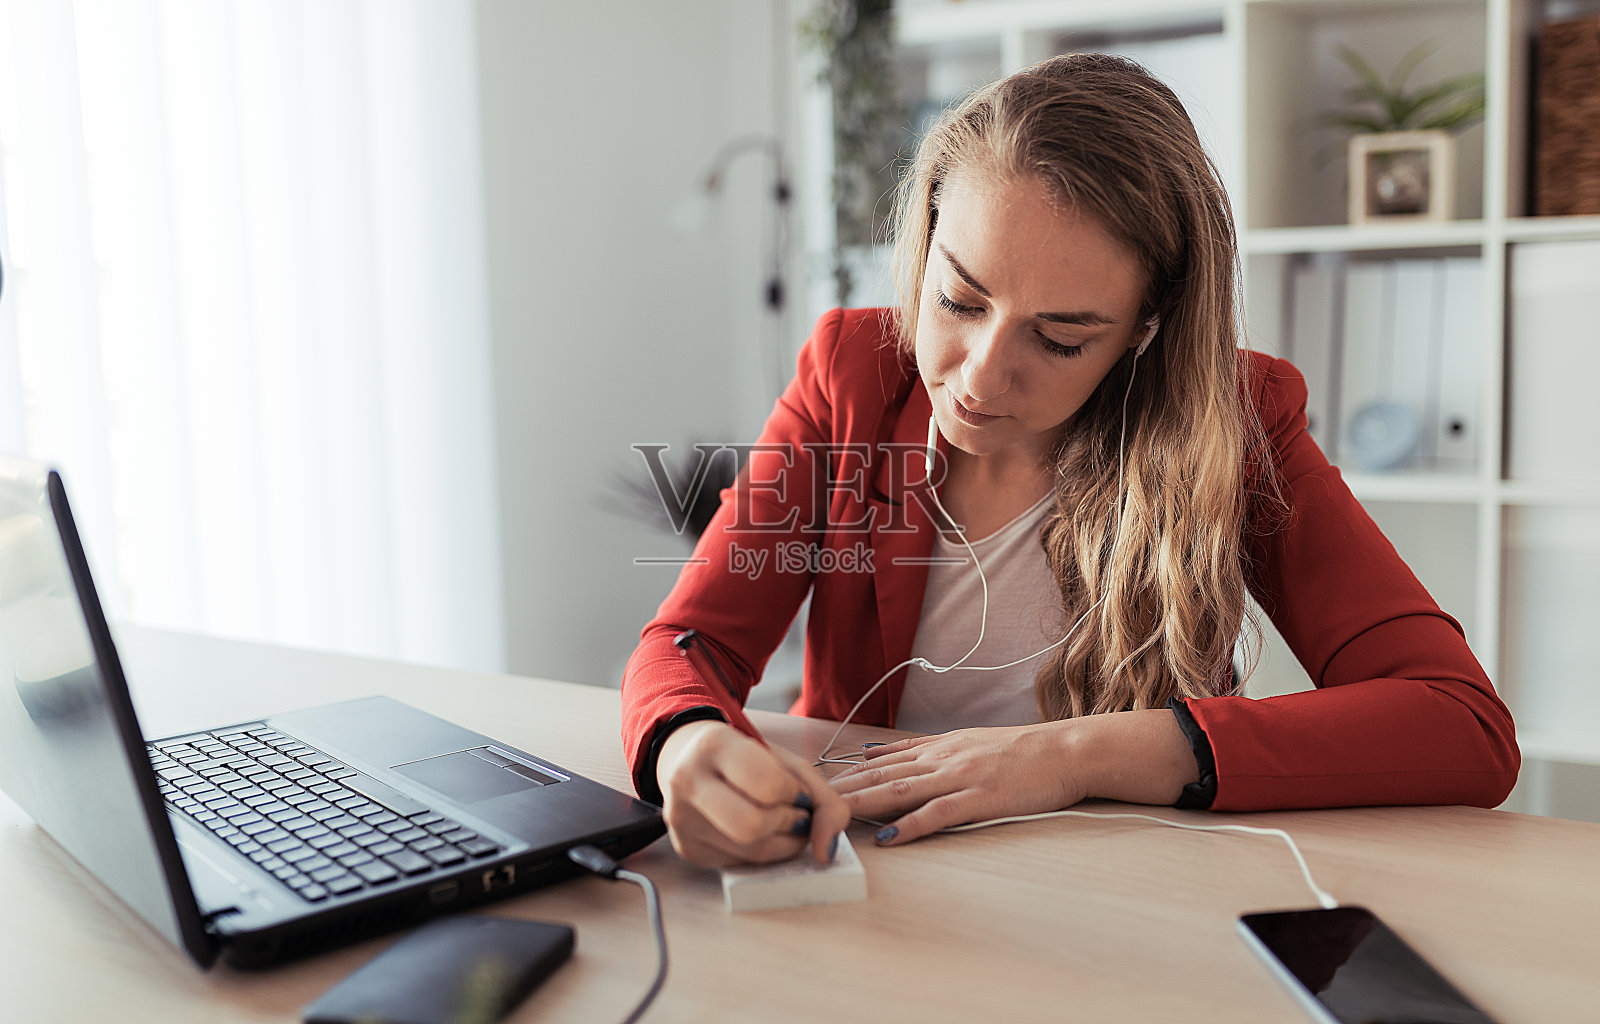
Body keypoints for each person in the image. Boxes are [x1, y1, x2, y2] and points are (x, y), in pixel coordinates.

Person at [619, 53, 1519, 869]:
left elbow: (1462, 723)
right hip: (873, 878)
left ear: (1145, 330)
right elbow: (689, 643)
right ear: (924, 241)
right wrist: (686, 746)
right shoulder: (851, 375)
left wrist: (1068, 756)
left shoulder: (1235, 427)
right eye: (959, 300)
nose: (979, 378)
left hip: (1125, 888)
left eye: (1058, 340)